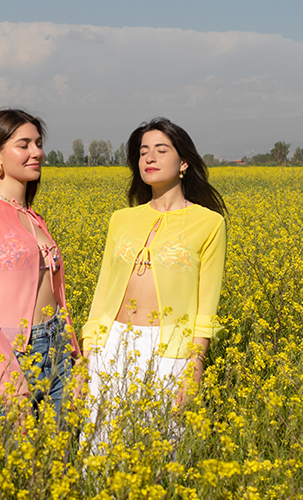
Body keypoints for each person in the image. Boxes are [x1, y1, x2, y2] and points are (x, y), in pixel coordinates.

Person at [80, 117, 227, 412]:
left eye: (161, 150)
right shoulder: (121, 219)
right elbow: (103, 292)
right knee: (101, 434)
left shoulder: (209, 223)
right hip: (110, 342)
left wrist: (196, 362)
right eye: (143, 151)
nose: (149, 157)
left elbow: (206, 305)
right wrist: (86, 355)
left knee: (161, 433)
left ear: (183, 162)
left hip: (171, 349)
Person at [0, 108, 80, 424]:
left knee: (61, 451)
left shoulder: (34, 217)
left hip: (58, 350)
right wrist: (5, 372)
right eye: (23, 145)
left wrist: (75, 356)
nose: (36, 152)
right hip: (13, 353)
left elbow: (57, 295)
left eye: (38, 144)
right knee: (11, 452)